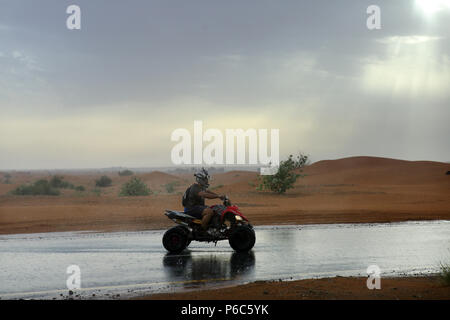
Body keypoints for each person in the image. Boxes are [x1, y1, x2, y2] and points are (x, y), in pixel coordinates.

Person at [182, 168, 225, 233]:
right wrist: (217, 196)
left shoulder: (200, 187)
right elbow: (205, 194)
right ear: (200, 179)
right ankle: (202, 230)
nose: (207, 181)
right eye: (205, 179)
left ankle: (213, 227)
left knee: (216, 209)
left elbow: (208, 192)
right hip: (191, 208)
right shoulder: (195, 188)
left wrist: (219, 196)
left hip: (197, 207)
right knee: (209, 212)